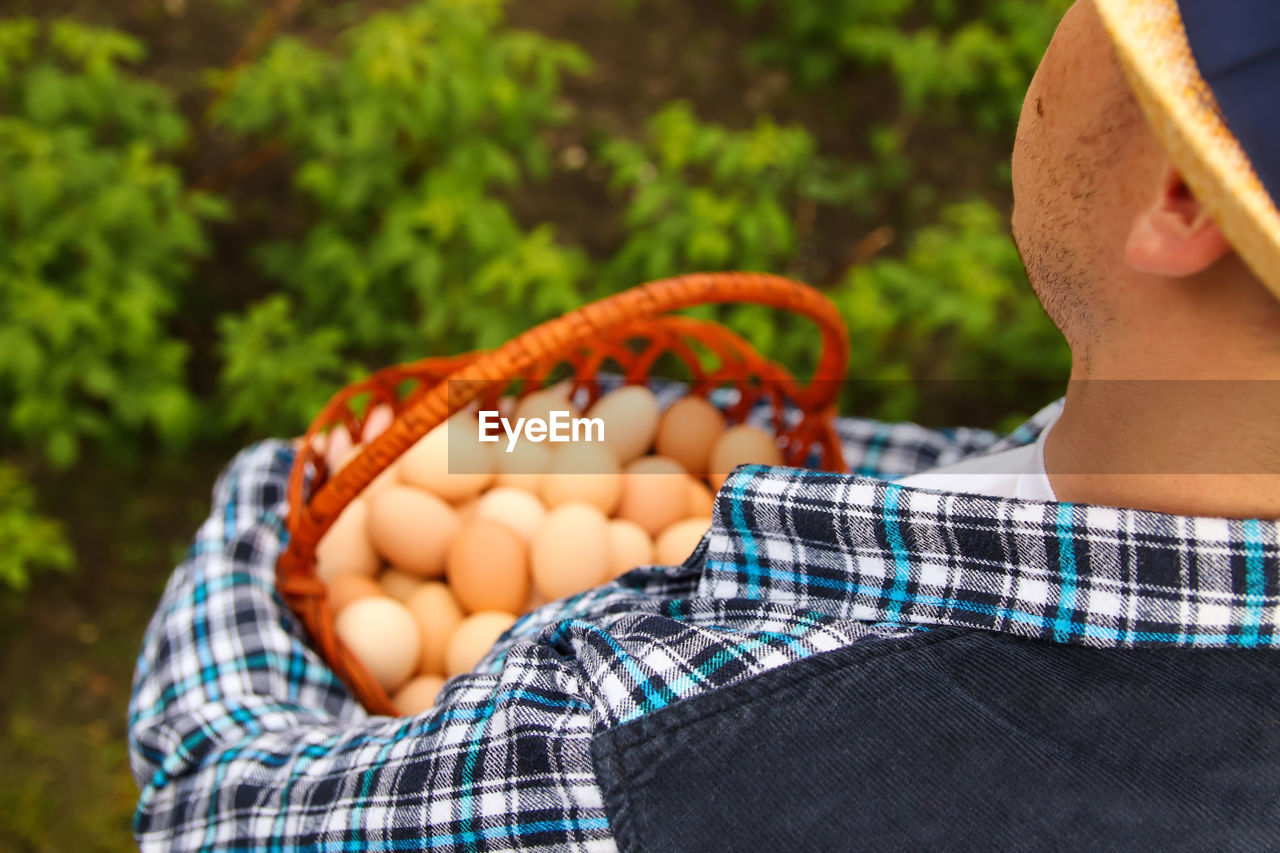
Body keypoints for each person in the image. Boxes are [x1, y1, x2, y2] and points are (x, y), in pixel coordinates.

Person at [128, 1, 1280, 850]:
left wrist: (281, 486)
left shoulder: (669, 752)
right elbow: (941, 500)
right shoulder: (1168, 461)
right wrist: (514, 456)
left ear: (1178, 192)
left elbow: (214, 808)